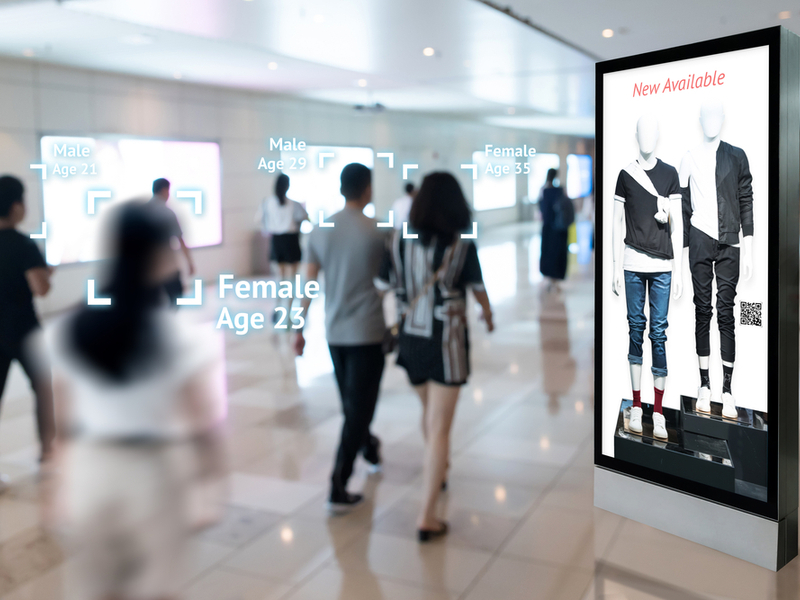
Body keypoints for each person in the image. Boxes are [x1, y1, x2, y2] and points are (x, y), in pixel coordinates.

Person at [47, 201, 225, 600]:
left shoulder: (69, 330)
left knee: (95, 589)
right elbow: (204, 424)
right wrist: (209, 488)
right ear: (160, 254)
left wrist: (60, 486)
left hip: (91, 473)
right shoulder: (179, 336)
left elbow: (64, 424)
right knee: (155, 590)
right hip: (154, 473)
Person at [378, 172, 493, 542]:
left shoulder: (397, 241)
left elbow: (381, 286)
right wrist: (488, 316)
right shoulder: (461, 246)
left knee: (429, 417)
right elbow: (478, 290)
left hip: (411, 341)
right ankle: (427, 516)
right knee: (439, 425)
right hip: (447, 344)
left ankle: (437, 469)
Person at [294, 163, 388, 512]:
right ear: (367, 189)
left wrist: (298, 327)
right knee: (359, 408)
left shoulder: (320, 231)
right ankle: (339, 480)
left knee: (353, 406)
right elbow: (393, 279)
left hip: (334, 333)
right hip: (368, 331)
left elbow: (308, 284)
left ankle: (369, 445)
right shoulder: (379, 230)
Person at [680, 99, 753, 420]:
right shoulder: (688, 157)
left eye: (716, 115)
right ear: (699, 120)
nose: (711, 121)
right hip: (699, 238)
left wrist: (748, 245)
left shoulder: (736, 155)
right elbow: (682, 209)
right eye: (706, 116)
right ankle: (704, 384)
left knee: (726, 310)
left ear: (723, 119)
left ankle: (727, 388)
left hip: (729, 242)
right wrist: (681, 254)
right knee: (702, 309)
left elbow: (746, 198)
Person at [612, 115, 683, 440]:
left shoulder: (670, 174)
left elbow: (679, 225)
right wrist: (614, 266)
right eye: (642, 131)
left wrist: (679, 270)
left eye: (652, 131)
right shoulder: (625, 174)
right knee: (636, 328)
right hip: (631, 261)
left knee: (658, 333)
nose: (647, 137)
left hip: (663, 265)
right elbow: (616, 222)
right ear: (635, 134)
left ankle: (658, 411)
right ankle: (638, 406)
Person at [0, 175, 55, 464]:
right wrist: (46, 274)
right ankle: (47, 452)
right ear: (16, 206)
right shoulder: (24, 245)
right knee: (43, 389)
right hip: (24, 331)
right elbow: (40, 288)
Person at [256, 173, 309, 322]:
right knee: (291, 280)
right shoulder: (294, 204)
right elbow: (305, 218)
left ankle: (278, 308)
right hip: (291, 242)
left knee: (280, 280)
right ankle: (289, 311)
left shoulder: (267, 202)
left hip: (277, 242)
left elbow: (260, 222)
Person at [148, 178, 195, 305]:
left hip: (147, 267)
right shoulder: (168, 213)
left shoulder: (142, 212)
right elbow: (180, 240)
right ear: (164, 190)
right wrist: (190, 262)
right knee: (176, 297)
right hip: (166, 267)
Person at [539, 168, 570, 291]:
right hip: (560, 229)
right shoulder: (561, 190)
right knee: (558, 252)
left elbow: (541, 209)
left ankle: (548, 277)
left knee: (547, 252)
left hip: (548, 228)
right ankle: (555, 279)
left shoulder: (543, 190)